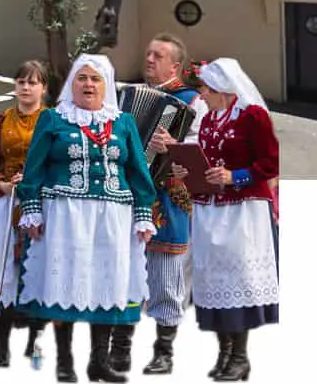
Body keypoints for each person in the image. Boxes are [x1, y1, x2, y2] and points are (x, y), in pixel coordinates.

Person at [15, 54, 157, 384]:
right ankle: (64, 362)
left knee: (106, 284)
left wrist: (143, 214)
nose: (88, 84)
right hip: (64, 215)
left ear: (106, 86)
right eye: (82, 78)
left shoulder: (123, 122)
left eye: (95, 79)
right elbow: (33, 169)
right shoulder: (53, 119)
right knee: (63, 283)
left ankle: (98, 361)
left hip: (113, 217)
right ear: (71, 84)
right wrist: (32, 207)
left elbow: (138, 171)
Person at [110, 34, 210, 376]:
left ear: (176, 66)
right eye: (148, 53)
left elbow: (203, 156)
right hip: (131, 198)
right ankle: (120, 348)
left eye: (158, 55)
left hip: (169, 198)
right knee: (126, 274)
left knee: (166, 277)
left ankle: (163, 351)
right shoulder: (126, 97)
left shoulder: (194, 103)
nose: (149, 59)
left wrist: (173, 144)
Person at [193, 58, 279, 381]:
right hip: (210, 211)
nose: (201, 95)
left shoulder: (252, 117)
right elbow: (205, 162)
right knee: (214, 283)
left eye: (205, 89)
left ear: (222, 89)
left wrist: (235, 176)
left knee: (237, 282)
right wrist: (184, 170)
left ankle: (240, 357)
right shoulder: (208, 120)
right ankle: (225, 352)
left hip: (241, 210)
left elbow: (270, 163)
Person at [0, 60, 50, 369]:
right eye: (21, 81)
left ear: (44, 88)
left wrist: (36, 181)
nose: (25, 87)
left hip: (44, 204)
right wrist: (1, 185)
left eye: (33, 82)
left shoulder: (55, 122)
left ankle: (35, 344)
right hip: (6, 204)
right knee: (5, 272)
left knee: (39, 270)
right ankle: (2, 347)